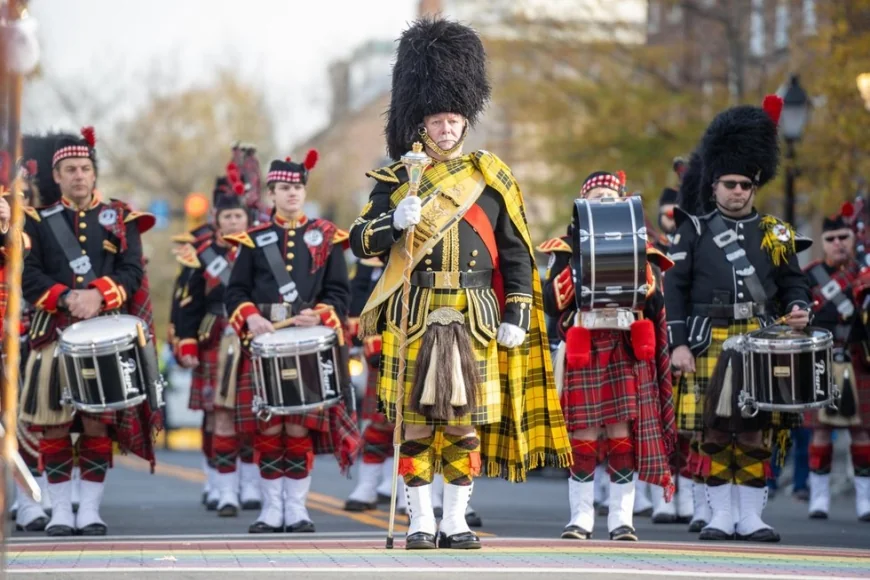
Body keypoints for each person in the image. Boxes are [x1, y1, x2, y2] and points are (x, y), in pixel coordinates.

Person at [349, 16, 570, 550]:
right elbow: (359, 242)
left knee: (464, 424)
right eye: (437, 121)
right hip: (416, 307)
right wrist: (392, 222)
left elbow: (518, 255)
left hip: (474, 311)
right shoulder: (397, 181)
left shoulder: (489, 181)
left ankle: (456, 521)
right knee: (418, 423)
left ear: (465, 121)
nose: (447, 129)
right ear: (419, 124)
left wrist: (519, 312)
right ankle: (420, 520)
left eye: (454, 120)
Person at [666, 98, 812, 543]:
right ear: (713, 186)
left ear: (755, 185)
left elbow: (794, 285)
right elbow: (675, 290)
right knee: (713, 431)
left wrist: (800, 308)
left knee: (754, 432)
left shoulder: (775, 233)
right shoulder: (691, 230)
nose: (737, 191)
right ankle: (718, 514)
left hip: (760, 339)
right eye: (729, 184)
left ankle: (751, 516)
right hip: (707, 338)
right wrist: (678, 344)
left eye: (745, 185)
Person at [18, 127, 160, 536]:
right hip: (55, 333)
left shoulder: (121, 218)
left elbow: (132, 271)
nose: (79, 175)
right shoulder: (39, 223)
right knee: (56, 425)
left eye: (84, 168)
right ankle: (61, 511)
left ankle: (91, 511)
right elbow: (29, 277)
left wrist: (98, 295)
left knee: (97, 424)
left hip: (106, 334)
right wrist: (66, 299)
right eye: (69, 169)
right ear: (56, 176)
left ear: (94, 174)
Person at [224, 149, 361, 534]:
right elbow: (234, 294)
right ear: (271, 194)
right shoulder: (253, 241)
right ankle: (271, 510)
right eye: (285, 188)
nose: (292, 194)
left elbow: (340, 293)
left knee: (298, 428)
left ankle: (297, 509)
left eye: (298, 187)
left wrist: (320, 314)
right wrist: (251, 315)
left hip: (309, 345)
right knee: (268, 428)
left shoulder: (327, 237)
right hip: (266, 345)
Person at [541, 171, 676, 541]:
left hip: (623, 345)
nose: (603, 199)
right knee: (582, 434)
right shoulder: (567, 249)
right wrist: (573, 276)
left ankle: (622, 519)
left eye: (609, 194)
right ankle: (580, 518)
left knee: (621, 434)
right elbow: (550, 304)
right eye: (595, 193)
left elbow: (656, 303)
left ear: (622, 201)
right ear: (583, 202)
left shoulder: (642, 247)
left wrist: (646, 280)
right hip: (584, 342)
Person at [175, 178, 260, 517]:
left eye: (239, 217)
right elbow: (188, 304)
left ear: (247, 219)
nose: (234, 223)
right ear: (217, 220)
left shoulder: (259, 250)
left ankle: (251, 486)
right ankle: (223, 489)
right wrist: (187, 342)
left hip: (251, 336)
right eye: (228, 218)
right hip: (215, 336)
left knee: (254, 415)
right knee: (219, 415)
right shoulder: (203, 255)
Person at [805, 206, 870, 522]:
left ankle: (865, 501)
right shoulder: (812, 275)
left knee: (862, 434)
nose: (838, 244)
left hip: (858, 359)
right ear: (823, 241)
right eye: (831, 238)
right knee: (820, 432)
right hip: (821, 361)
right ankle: (819, 499)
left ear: (854, 236)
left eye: (843, 237)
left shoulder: (864, 274)